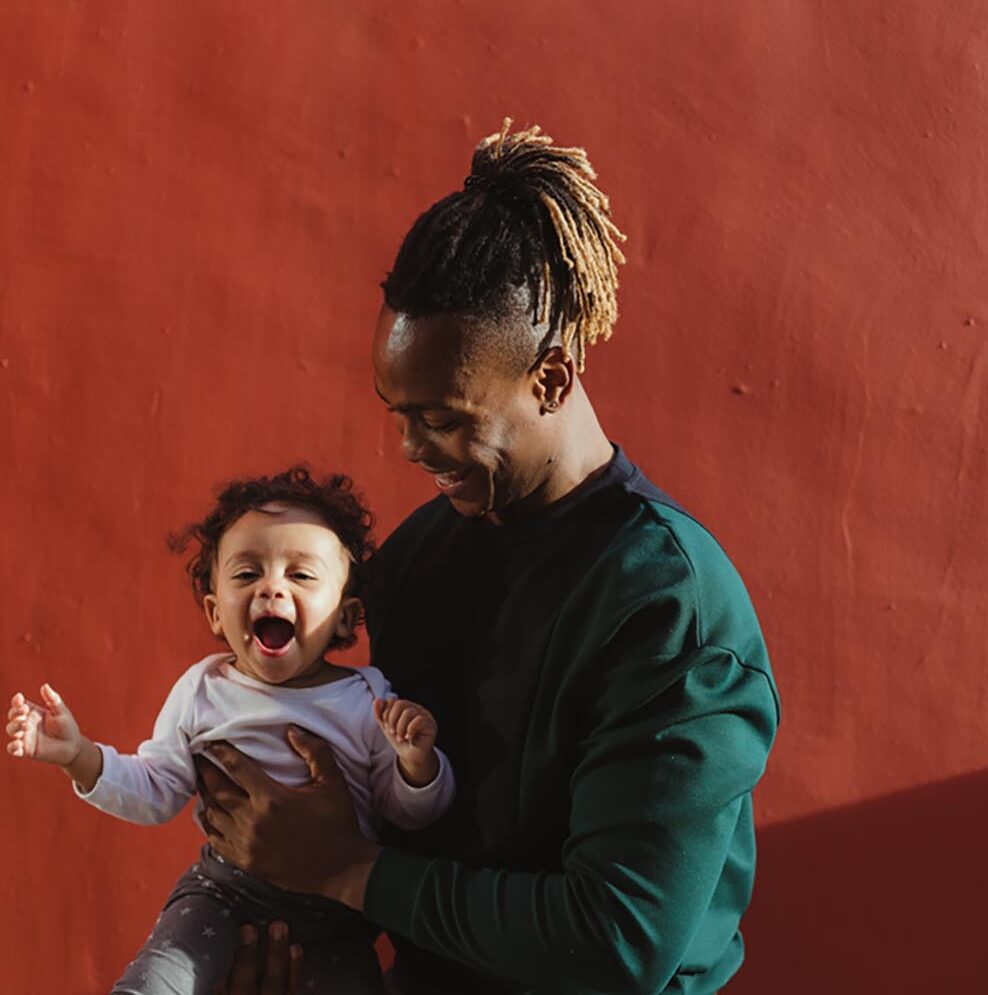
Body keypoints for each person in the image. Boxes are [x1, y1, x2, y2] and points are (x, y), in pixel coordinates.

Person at [196, 120, 781, 995]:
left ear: (548, 378)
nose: (407, 447)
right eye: (395, 411)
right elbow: (382, 810)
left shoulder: (667, 605)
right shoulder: (414, 559)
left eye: (442, 418)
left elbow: (619, 941)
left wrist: (348, 871)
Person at [5, 467, 455, 995]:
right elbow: (155, 790)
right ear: (217, 614)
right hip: (222, 890)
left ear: (344, 617)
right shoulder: (202, 690)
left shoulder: (367, 700)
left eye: (301, 576)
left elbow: (405, 813)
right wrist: (78, 755)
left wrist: (417, 766)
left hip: (340, 910)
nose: (271, 588)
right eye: (247, 575)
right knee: (157, 978)